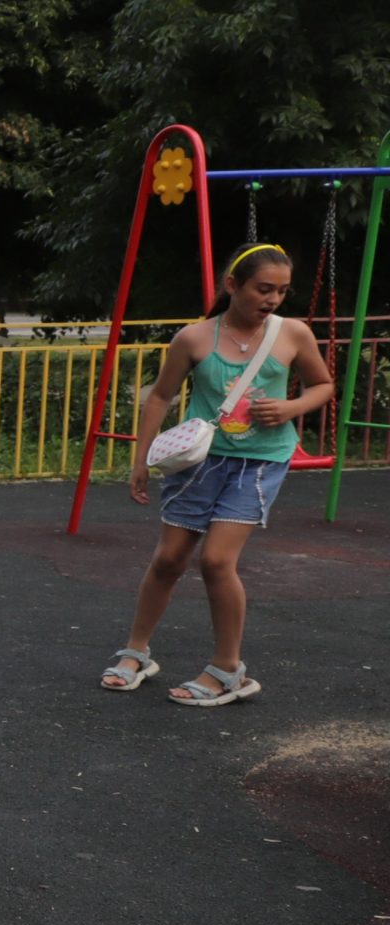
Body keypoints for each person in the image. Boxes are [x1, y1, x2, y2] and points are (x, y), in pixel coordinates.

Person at [103, 242, 333, 706]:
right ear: (233, 285)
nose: (272, 299)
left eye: (282, 291)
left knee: (215, 561)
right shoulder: (194, 337)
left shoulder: (292, 334)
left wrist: (290, 406)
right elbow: (159, 397)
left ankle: (229, 670)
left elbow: (323, 385)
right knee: (169, 558)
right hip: (199, 461)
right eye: (263, 288)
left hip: (261, 461)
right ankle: (136, 651)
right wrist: (141, 460)